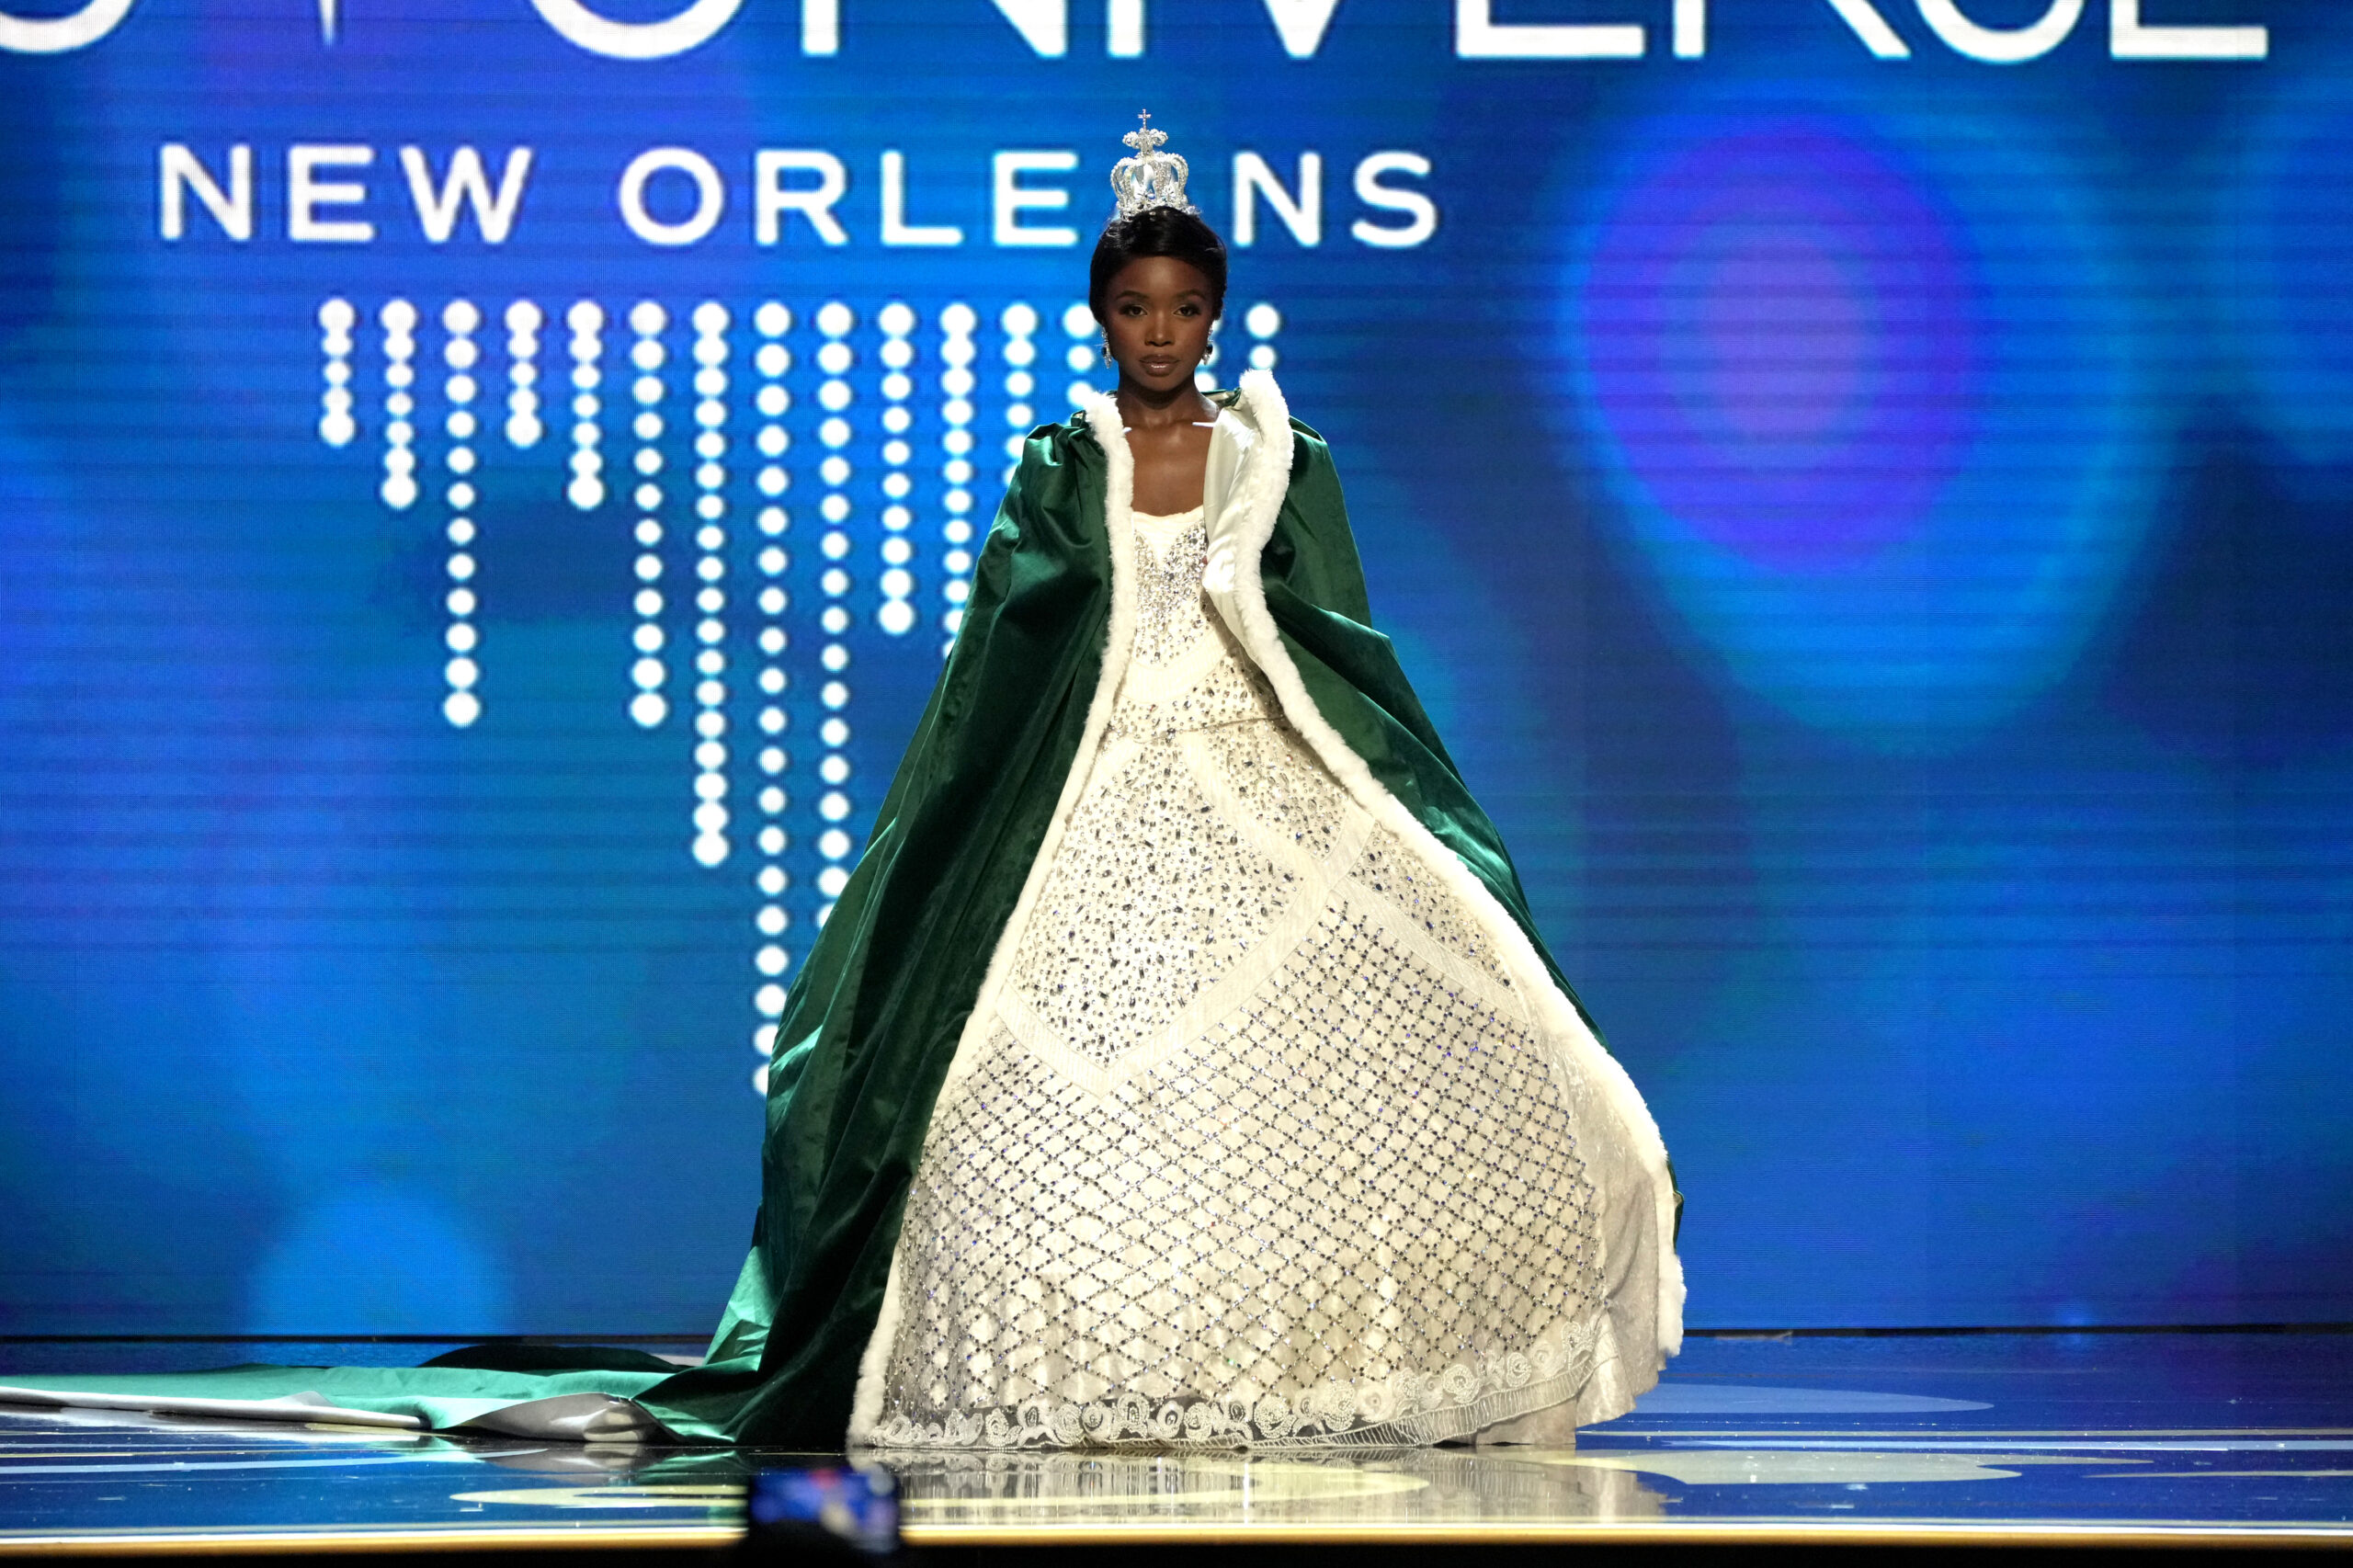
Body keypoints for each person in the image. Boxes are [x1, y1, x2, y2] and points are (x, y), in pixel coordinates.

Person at [0, 118, 1680, 1452]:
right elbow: (1000, 666)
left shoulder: (1277, 451)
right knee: (1007, 1088)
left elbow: (1333, 638)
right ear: (1101, 318)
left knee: (1374, 1053)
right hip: (1084, 797)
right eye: (1135, 311)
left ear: (1215, 317)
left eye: (1186, 311)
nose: (1160, 336)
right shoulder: (1061, 464)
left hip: (1260, 791)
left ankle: (1309, 1356)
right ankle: (1062, 1368)